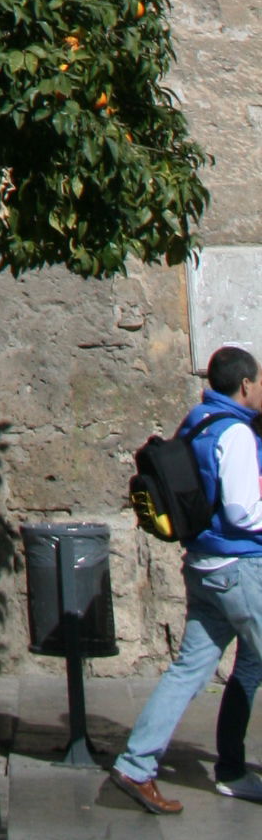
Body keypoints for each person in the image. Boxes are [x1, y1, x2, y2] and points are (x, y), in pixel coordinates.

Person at [113, 346, 262, 810]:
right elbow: (241, 511)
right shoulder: (235, 432)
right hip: (238, 568)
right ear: (244, 385)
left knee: (190, 672)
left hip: (203, 567)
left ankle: (137, 766)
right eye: (260, 382)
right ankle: (227, 771)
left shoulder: (198, 419)